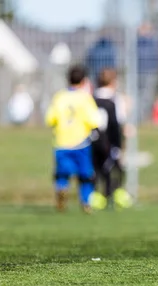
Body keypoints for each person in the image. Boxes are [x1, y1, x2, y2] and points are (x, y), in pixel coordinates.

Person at [45, 65, 100, 213]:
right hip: (81, 142)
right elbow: (94, 119)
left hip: (62, 142)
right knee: (85, 174)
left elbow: (50, 119)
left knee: (62, 173)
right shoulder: (85, 98)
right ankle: (86, 202)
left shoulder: (60, 97)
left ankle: (61, 190)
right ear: (83, 81)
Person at [91, 68, 131, 210]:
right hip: (110, 139)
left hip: (94, 139)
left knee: (97, 168)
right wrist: (120, 142)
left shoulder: (91, 98)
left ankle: (96, 197)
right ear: (113, 82)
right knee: (114, 167)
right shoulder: (115, 100)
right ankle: (114, 195)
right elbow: (117, 121)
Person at [137, 22, 158, 123]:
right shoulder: (137, 42)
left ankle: (144, 116)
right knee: (138, 95)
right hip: (138, 72)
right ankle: (138, 117)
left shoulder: (154, 42)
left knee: (147, 96)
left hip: (150, 71)